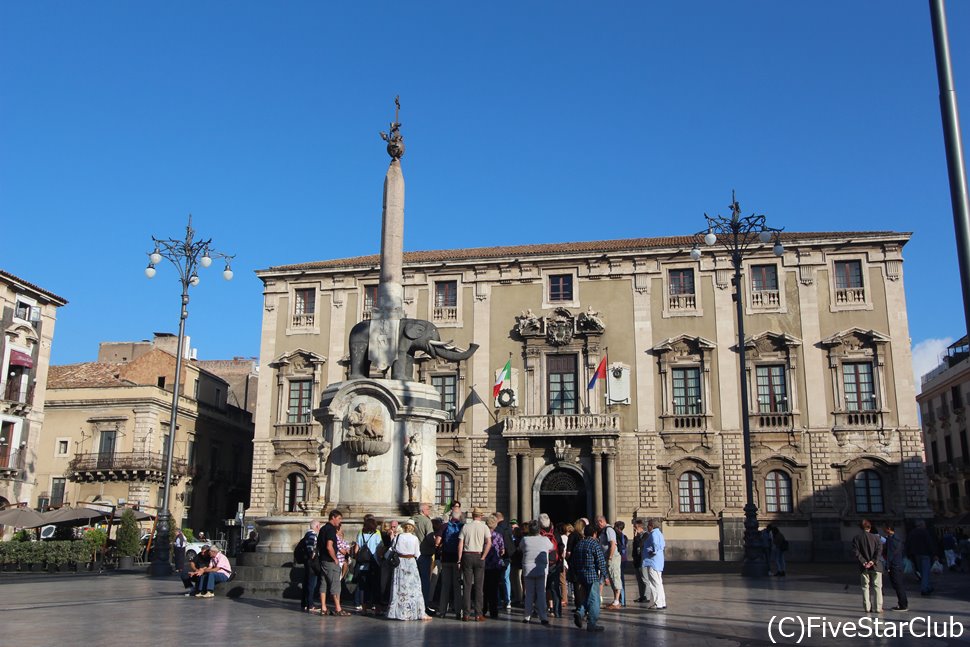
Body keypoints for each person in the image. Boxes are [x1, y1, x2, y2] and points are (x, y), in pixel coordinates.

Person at [386, 520, 432, 621]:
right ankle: (415, 612)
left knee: (400, 588)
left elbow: (393, 548)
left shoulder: (398, 537)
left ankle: (399, 612)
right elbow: (417, 553)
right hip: (411, 562)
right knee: (414, 588)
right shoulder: (414, 538)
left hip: (400, 563)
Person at [571, 524, 607, 632]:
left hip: (581, 575)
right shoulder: (594, 544)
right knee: (595, 600)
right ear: (594, 533)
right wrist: (605, 575)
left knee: (587, 597)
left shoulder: (579, 544)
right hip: (592, 576)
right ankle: (592, 623)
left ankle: (580, 612)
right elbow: (601, 561)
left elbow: (573, 561)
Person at [458, 507, 491, 622]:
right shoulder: (484, 527)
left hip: (467, 555)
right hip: (478, 555)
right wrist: (484, 556)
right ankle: (478, 614)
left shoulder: (466, 527)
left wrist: (459, 559)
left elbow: (460, 544)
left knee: (467, 586)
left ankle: (466, 614)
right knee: (478, 586)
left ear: (472, 516)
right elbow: (488, 543)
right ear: (480, 516)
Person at [520, 520, 553, 625]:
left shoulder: (525, 539)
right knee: (541, 593)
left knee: (529, 593)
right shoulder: (545, 539)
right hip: (541, 569)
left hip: (528, 568)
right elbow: (551, 547)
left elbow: (520, 548)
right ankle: (543, 616)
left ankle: (527, 616)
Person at [319, 510, 349, 615]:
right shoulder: (331, 530)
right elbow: (329, 546)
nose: (340, 521)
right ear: (333, 517)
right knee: (335, 585)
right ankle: (338, 609)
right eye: (339, 518)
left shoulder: (322, 529)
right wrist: (335, 558)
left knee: (324, 583)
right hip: (330, 561)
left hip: (322, 560)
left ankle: (323, 607)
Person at [435, 508, 464, 619]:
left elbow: (437, 542)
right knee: (457, 586)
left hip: (446, 559)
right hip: (457, 560)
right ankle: (458, 611)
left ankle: (442, 611)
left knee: (445, 585)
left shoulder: (444, 526)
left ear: (451, 515)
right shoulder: (462, 526)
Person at [852, 519, 883, 613]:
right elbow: (879, 551)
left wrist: (863, 561)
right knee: (877, 587)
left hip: (864, 566)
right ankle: (878, 608)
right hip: (876, 566)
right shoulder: (876, 538)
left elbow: (856, 552)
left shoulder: (856, 538)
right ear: (870, 527)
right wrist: (873, 561)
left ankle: (867, 607)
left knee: (865, 587)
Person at [354, 515, 383, 615]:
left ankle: (364, 608)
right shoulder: (376, 535)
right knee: (376, 587)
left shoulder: (360, 534)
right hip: (374, 563)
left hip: (363, 564)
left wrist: (358, 558)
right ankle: (377, 609)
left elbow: (356, 549)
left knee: (364, 587)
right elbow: (380, 549)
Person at [537, 513, 562, 618]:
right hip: (554, 564)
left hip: (541, 564)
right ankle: (557, 611)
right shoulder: (555, 534)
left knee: (540, 587)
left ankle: (541, 610)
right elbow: (561, 548)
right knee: (555, 588)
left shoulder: (538, 535)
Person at [595, 516, 622, 609]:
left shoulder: (609, 530)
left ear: (601, 521)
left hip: (613, 557)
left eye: (598, 523)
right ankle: (615, 600)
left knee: (615, 577)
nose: (597, 525)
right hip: (608, 557)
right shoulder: (604, 530)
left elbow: (613, 544)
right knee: (612, 578)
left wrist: (610, 557)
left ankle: (617, 601)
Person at [483, 515, 506, 618]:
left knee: (484, 588)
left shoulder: (483, 535)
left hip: (484, 564)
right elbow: (502, 550)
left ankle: (483, 609)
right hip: (495, 565)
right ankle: (494, 611)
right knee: (494, 588)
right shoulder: (498, 535)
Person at [907, 519, 937, 596]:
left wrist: (909, 555)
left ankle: (928, 586)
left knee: (922, 572)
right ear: (922, 525)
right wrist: (933, 553)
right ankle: (924, 588)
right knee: (925, 572)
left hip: (916, 555)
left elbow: (908, 544)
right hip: (925, 554)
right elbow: (929, 543)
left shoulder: (912, 533)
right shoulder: (924, 532)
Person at [882, 522, 908, 611]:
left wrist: (887, 566)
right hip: (897, 564)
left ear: (888, 529)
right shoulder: (894, 538)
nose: (883, 530)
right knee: (898, 585)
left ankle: (903, 605)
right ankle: (902, 603)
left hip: (895, 565)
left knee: (898, 585)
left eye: (884, 528)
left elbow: (890, 555)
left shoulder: (893, 540)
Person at [414, 502, 435, 612]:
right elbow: (430, 538)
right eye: (427, 509)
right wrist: (435, 545)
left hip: (412, 555)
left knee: (413, 580)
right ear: (423, 510)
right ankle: (424, 605)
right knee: (425, 580)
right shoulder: (427, 521)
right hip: (424, 553)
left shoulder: (411, 520)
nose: (429, 511)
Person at [643, 518, 666, 610]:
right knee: (659, 582)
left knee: (654, 583)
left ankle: (657, 603)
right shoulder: (660, 533)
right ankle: (662, 601)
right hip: (658, 562)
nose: (647, 527)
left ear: (651, 526)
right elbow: (663, 545)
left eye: (648, 525)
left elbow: (655, 544)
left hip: (653, 561)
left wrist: (653, 551)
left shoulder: (653, 534)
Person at [298, 520, 321, 612]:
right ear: (317, 526)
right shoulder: (312, 535)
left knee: (307, 582)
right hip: (311, 562)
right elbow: (311, 548)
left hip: (307, 562)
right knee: (312, 583)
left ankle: (305, 603)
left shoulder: (306, 535)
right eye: (319, 526)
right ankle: (310, 604)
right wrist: (313, 555)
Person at [494, 511, 515, 610]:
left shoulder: (497, 529)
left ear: (497, 518)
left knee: (497, 579)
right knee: (507, 579)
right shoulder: (509, 529)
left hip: (499, 557)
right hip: (508, 557)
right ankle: (508, 601)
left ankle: (497, 600)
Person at [631, 519, 648, 602]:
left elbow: (641, 544)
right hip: (637, 560)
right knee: (639, 580)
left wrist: (636, 537)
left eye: (635, 528)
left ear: (639, 527)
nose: (634, 530)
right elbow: (635, 547)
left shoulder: (646, 535)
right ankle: (641, 596)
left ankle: (646, 596)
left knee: (644, 579)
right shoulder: (636, 537)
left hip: (643, 560)